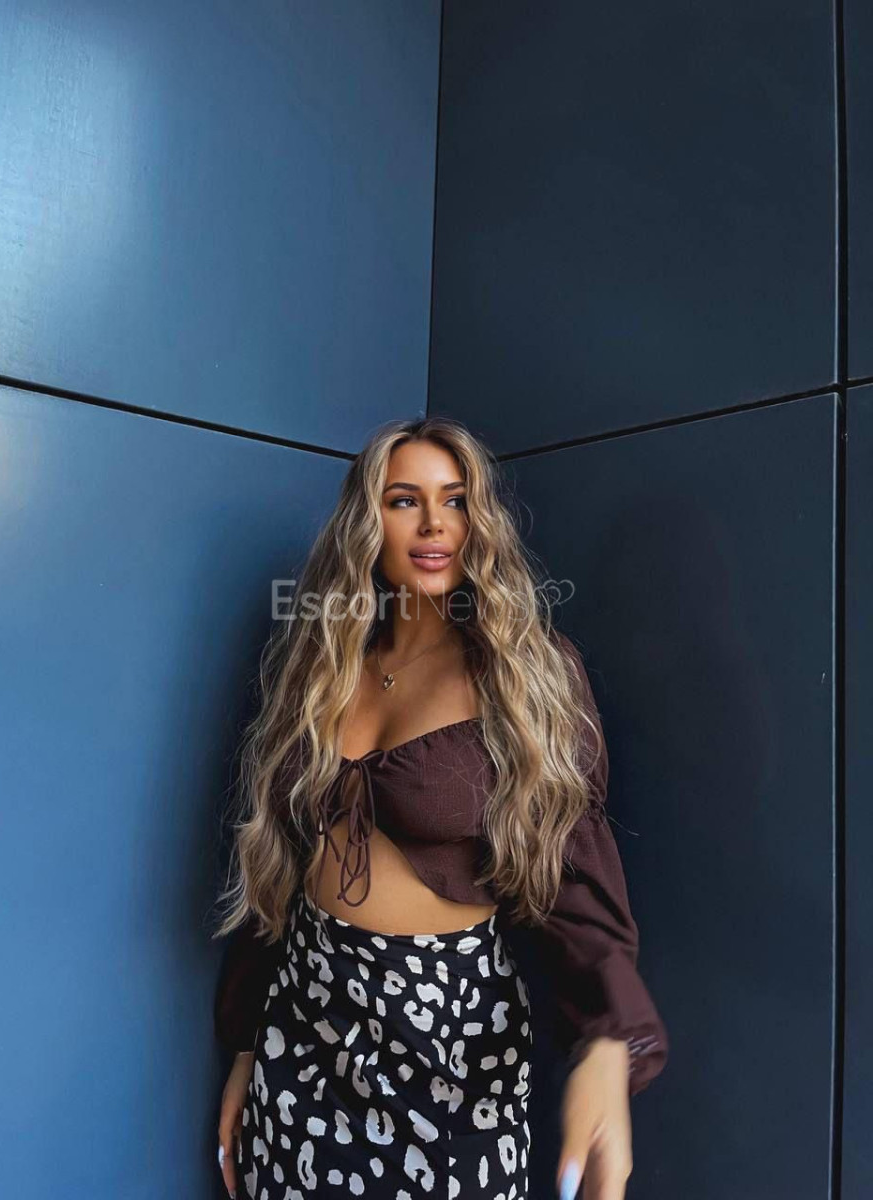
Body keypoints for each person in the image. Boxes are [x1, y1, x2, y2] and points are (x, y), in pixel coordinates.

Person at [210, 416, 669, 1199]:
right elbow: (276, 870)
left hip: (449, 1052)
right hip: (304, 1029)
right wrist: (248, 1048)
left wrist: (608, 1041)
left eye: (454, 500)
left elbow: (575, 876)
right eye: (404, 500)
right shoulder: (321, 663)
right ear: (367, 522)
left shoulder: (526, 674)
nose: (433, 524)